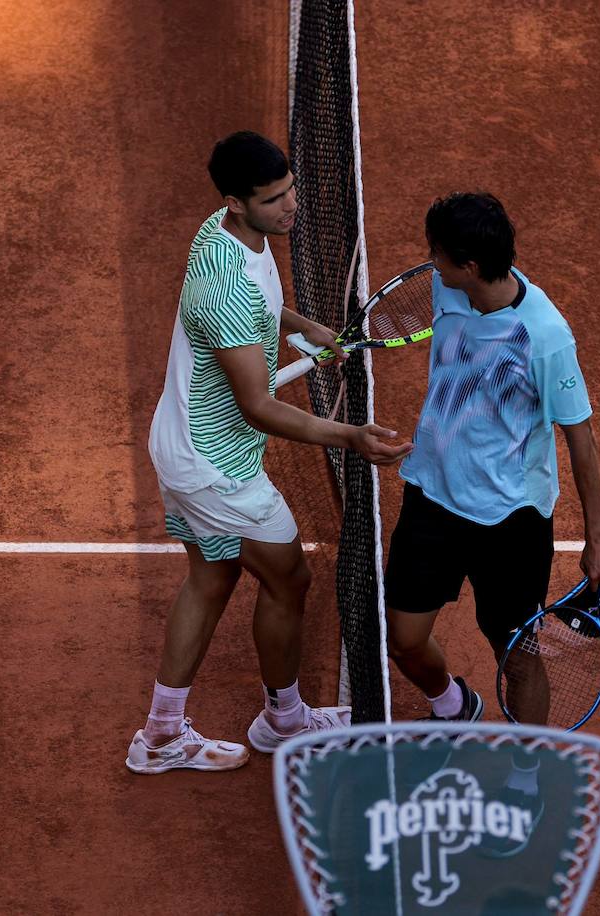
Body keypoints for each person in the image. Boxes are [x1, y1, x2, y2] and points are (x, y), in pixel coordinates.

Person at [126, 131, 412, 775]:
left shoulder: (230, 232)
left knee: (212, 576)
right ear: (235, 201)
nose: (291, 207)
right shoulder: (222, 288)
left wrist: (304, 326)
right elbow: (258, 404)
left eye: (290, 191)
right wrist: (351, 436)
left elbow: (263, 304)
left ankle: (162, 736)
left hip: (184, 443)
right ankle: (282, 721)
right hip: (214, 466)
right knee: (289, 578)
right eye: (273, 199)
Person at [383, 192, 600, 851]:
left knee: (519, 657)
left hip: (510, 522)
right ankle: (454, 706)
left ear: (471, 263)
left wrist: (598, 538)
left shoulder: (545, 337)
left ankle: (525, 775)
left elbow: (581, 439)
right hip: (431, 495)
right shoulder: (450, 291)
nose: (429, 264)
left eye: (439, 256)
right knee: (403, 638)